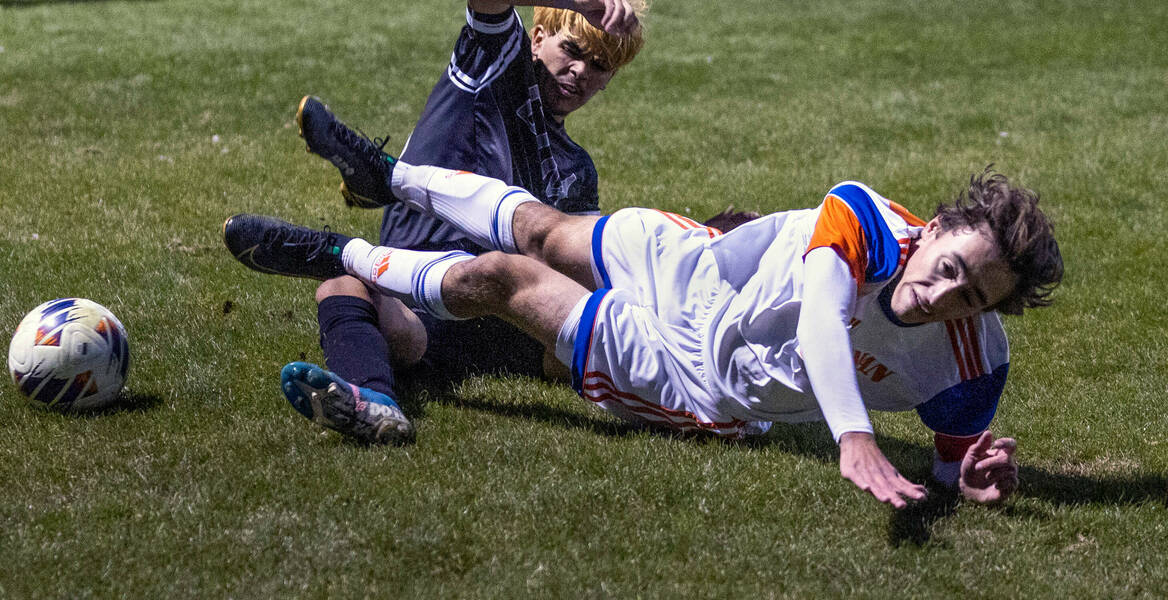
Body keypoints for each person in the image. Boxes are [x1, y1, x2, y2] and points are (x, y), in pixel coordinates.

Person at [222, 156, 1063, 508]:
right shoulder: (867, 217)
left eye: (972, 298)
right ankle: (388, 171)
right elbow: (820, 317)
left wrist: (973, 479)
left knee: (503, 280)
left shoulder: (973, 365)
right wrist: (852, 434)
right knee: (547, 230)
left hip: (690, 377)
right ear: (938, 227)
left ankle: (341, 254)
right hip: (693, 271)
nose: (942, 296)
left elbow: (956, 467)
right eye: (950, 266)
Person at [287, 0, 651, 443]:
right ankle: (371, 402)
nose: (581, 71)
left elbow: (582, 264)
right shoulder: (494, 67)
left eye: (600, 66)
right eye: (572, 50)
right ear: (537, 38)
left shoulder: (576, 168)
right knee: (344, 283)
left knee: (604, 305)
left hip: (499, 318)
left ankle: (376, 177)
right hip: (418, 304)